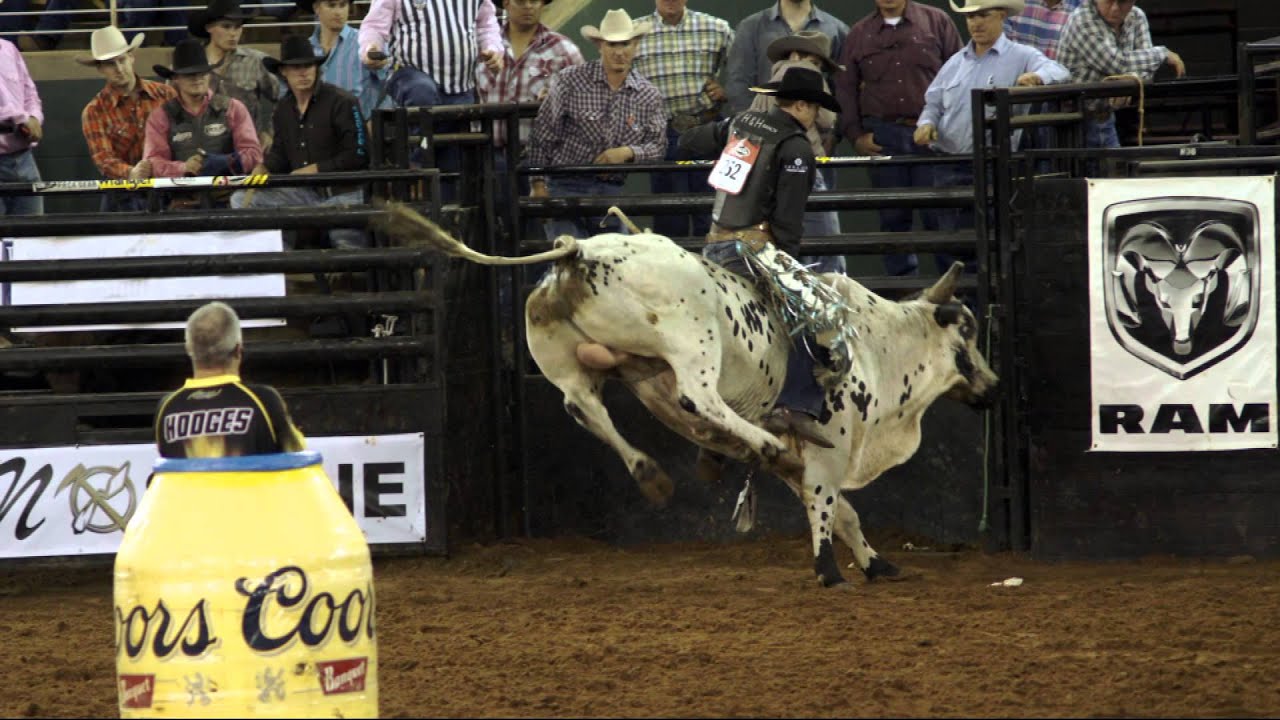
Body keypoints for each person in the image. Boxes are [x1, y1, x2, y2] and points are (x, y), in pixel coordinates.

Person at [679, 66, 847, 448]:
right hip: (751, 251)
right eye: (814, 107)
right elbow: (788, 221)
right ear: (801, 106)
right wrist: (788, 268)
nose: (815, 116)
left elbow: (690, 141)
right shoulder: (796, 148)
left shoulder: (741, 124)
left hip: (713, 246)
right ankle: (796, 406)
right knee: (811, 310)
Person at [914, 0, 1068, 273]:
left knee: (993, 241)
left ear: (1001, 16)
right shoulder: (955, 62)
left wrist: (1037, 77)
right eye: (971, 17)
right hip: (949, 164)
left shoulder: (1021, 55)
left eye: (983, 15)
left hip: (993, 164)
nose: (976, 23)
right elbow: (933, 102)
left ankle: (987, 295)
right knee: (953, 243)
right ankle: (964, 295)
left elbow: (1059, 71)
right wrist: (926, 123)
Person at [835, 0, 963, 277]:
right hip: (884, 135)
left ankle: (952, 291)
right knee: (893, 219)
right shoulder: (859, 33)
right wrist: (856, 135)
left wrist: (950, 126)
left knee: (941, 217)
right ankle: (903, 291)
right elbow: (845, 89)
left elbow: (961, 73)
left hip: (932, 133)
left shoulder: (937, 22)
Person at [526, 9, 667, 241]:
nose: (619, 52)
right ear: (600, 45)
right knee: (569, 253)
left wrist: (628, 152)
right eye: (612, 44)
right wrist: (538, 184)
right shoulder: (570, 80)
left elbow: (658, 146)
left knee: (611, 255)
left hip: (610, 189)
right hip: (565, 183)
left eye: (625, 44)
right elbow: (543, 133)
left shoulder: (648, 95)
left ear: (635, 45)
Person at [232, 35, 370, 250]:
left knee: (344, 240)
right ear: (283, 72)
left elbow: (359, 154)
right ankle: (277, 264)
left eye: (308, 66)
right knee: (241, 199)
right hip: (303, 192)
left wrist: (316, 169)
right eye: (295, 67)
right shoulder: (283, 109)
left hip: (344, 191)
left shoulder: (343, 101)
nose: (303, 72)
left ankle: (351, 270)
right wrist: (265, 167)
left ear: (316, 69)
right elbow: (280, 153)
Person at [358, 0, 504, 196]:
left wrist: (493, 48)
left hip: (460, 86)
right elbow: (375, 26)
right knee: (422, 92)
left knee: (451, 166)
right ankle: (416, 163)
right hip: (409, 74)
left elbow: (486, 24)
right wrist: (371, 48)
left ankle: (419, 172)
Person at [632, 0, 734, 240]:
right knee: (669, 217)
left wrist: (727, 90)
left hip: (707, 129)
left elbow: (746, 68)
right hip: (661, 133)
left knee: (711, 214)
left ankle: (711, 262)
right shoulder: (634, 33)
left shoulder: (717, 28)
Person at [156, 301, 306, 458]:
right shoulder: (264, 401)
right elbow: (297, 455)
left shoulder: (166, 408)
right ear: (238, 350)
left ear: (189, 349)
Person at [750, 31, 844, 274]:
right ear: (798, 55)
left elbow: (752, 119)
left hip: (765, 165)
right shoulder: (808, 74)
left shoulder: (770, 82)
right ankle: (826, 287)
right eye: (816, 61)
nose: (817, 67)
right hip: (804, 157)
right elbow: (827, 120)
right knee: (824, 235)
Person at [1057, 0, 1184, 148]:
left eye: (1123, 2)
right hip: (1069, 122)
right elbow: (1116, 62)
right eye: (1108, 1)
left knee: (1116, 162)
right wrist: (1162, 54)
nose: (1115, 8)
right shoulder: (1082, 20)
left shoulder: (1137, 17)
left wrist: (1128, 80)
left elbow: (1147, 70)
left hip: (1106, 118)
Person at [79, 25, 178, 212]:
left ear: (131, 57)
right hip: (122, 193)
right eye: (110, 64)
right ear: (100, 68)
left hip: (167, 185)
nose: (119, 69)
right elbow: (104, 159)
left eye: (122, 60)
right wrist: (131, 172)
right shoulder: (94, 111)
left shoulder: (165, 94)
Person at [143, 38, 263, 186]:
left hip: (228, 192)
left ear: (209, 74)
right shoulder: (160, 117)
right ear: (175, 78)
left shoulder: (233, 108)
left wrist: (227, 161)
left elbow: (254, 154)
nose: (197, 79)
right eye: (189, 74)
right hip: (180, 195)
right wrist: (183, 168)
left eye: (202, 73)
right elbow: (153, 162)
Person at [723, 0, 847, 115]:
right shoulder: (750, 27)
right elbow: (738, 83)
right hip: (762, 122)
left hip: (816, 125)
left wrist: (830, 127)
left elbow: (843, 88)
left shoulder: (836, 30)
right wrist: (751, 122)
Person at [190, 0, 280, 152]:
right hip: (202, 150)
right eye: (226, 26)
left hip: (248, 149)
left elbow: (285, 96)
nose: (233, 33)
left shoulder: (255, 61)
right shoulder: (190, 66)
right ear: (209, 28)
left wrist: (270, 132)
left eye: (238, 27)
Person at [299, 0, 389, 122]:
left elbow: (394, 84)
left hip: (360, 125)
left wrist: (376, 121)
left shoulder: (365, 42)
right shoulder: (306, 48)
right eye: (331, 5)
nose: (338, 12)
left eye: (343, 5)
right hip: (319, 127)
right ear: (316, 8)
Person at [0, 32, 44, 217]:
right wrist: (22, 118)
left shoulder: (9, 49)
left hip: (24, 158)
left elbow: (30, 92)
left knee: (34, 230)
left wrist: (34, 117)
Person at [1004, 0, 1083, 59]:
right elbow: (1001, 50)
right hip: (1015, 74)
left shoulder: (1082, 8)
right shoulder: (1014, 4)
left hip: (1059, 75)